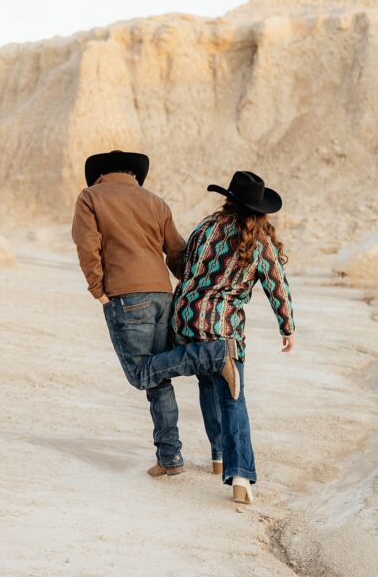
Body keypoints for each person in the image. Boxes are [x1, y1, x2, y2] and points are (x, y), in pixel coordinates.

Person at [101, 170, 296, 506]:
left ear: (228, 199)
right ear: (259, 209)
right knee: (233, 395)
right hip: (222, 327)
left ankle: (218, 454)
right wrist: (287, 327)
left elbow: (184, 266)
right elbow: (276, 283)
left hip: (186, 317)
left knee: (209, 384)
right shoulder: (259, 240)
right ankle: (239, 476)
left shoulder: (206, 227)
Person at [71, 149, 189, 476]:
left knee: (140, 373)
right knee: (158, 377)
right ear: (134, 175)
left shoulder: (90, 197)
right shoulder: (156, 202)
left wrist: (99, 291)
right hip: (164, 295)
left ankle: (208, 356)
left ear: (99, 175)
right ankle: (170, 458)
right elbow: (177, 251)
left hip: (125, 295)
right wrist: (186, 283)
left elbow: (86, 245)